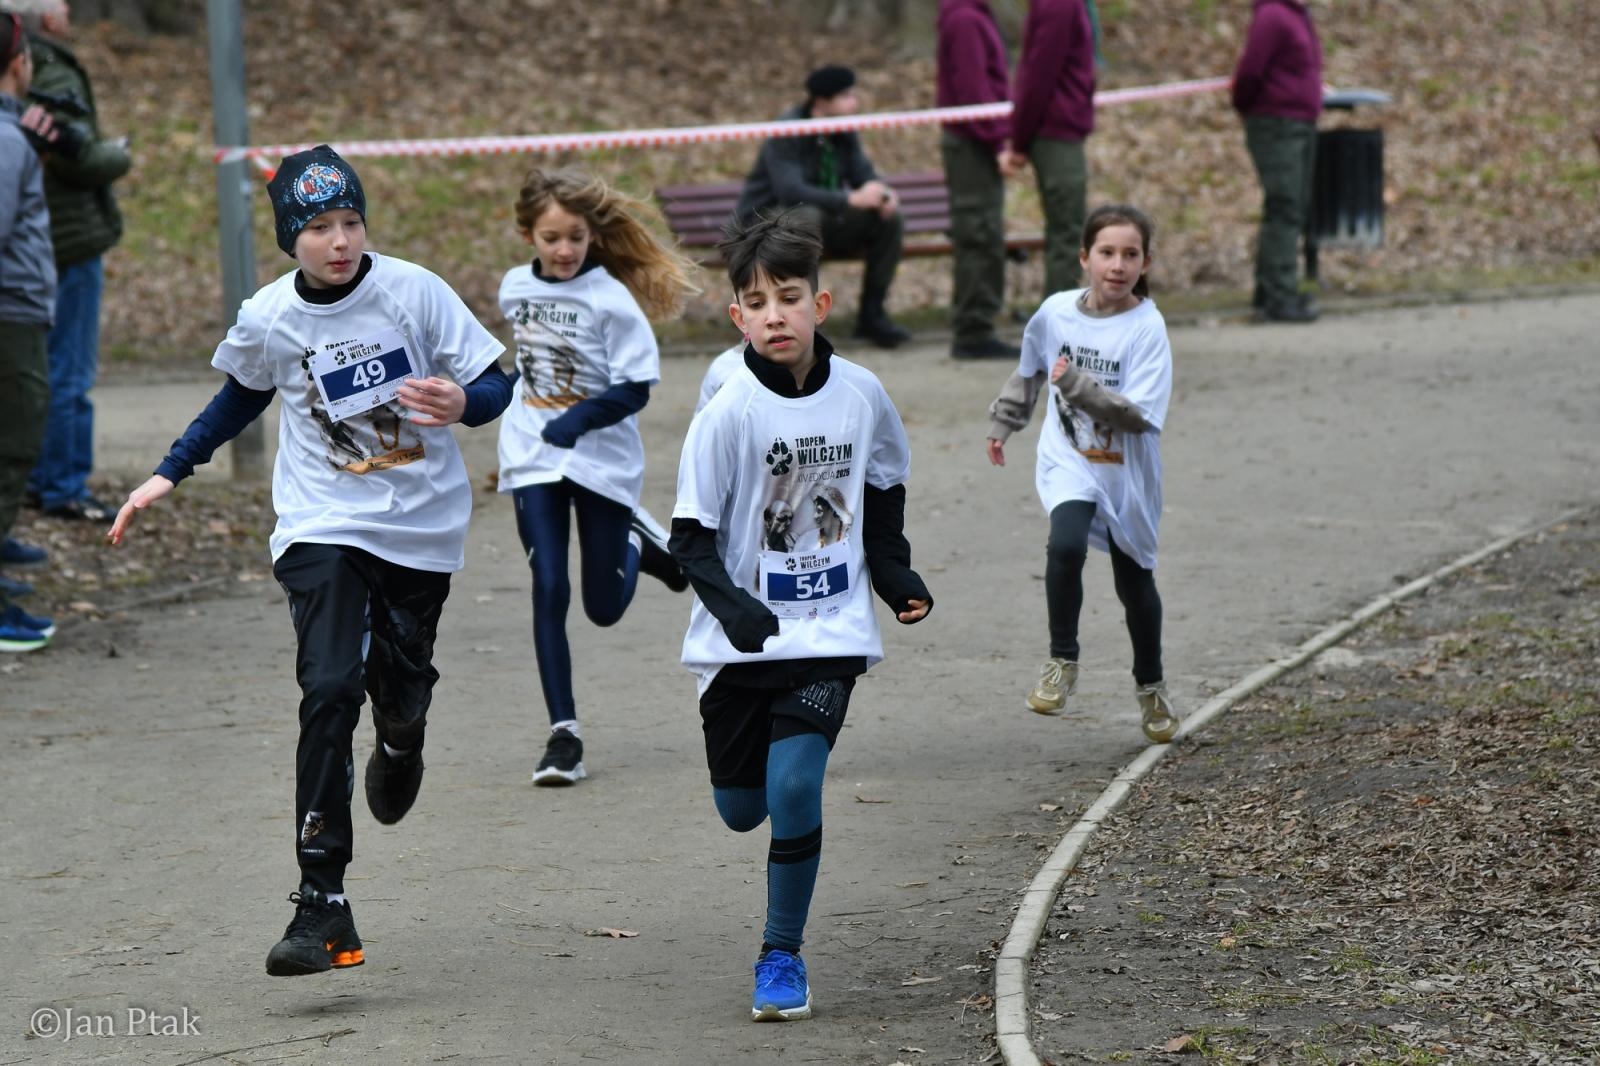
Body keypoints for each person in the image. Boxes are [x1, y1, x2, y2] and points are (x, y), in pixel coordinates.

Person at [107, 146, 511, 976]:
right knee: (329, 685)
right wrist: (167, 472)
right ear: (290, 238)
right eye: (319, 227)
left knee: (399, 685)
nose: (339, 241)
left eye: (351, 222)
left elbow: (496, 382)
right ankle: (321, 901)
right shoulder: (269, 317)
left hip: (420, 527)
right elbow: (241, 394)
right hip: (322, 522)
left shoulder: (414, 291)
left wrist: (466, 403)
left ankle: (401, 739)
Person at [669, 208, 933, 1021]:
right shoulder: (728, 409)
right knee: (741, 808)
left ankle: (780, 955)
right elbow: (690, 539)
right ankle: (741, 778)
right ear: (737, 317)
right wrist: (737, 611)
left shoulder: (862, 395)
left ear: (820, 306)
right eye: (758, 301)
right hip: (741, 634)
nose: (775, 313)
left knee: (795, 783)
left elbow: (883, 483)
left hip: (830, 626)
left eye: (790, 297)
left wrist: (891, 573)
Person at [497, 166, 695, 787]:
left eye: (575, 237)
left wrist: (579, 419)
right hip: (532, 455)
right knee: (548, 586)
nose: (563, 250)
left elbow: (636, 388)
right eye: (552, 237)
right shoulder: (513, 289)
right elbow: (526, 367)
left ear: (590, 235)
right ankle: (564, 736)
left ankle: (637, 542)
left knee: (603, 609)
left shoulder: (610, 298)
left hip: (600, 459)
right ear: (528, 231)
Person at [984, 204, 1179, 745]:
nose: (1117, 265)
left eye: (1130, 254)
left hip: (1127, 470)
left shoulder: (1147, 328)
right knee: (1064, 545)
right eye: (1107, 253)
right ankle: (1061, 661)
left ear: (1145, 263)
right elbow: (1029, 371)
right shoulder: (1054, 313)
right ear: (1084, 258)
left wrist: (1075, 386)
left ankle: (1151, 686)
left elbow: (1137, 415)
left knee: (1134, 581)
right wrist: (1005, 422)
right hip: (1070, 458)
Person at [11, 0, 130, 521]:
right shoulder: (46, 67)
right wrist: (118, 153)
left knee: (41, 371)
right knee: (67, 373)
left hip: (44, 238)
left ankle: (40, 477)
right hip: (68, 239)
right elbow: (75, 155)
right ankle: (62, 485)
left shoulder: (29, 64)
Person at [735, 64, 912, 349]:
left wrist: (883, 193)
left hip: (822, 220)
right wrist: (848, 199)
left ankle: (872, 315)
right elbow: (790, 190)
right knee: (805, 218)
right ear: (822, 101)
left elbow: (862, 174)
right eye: (846, 96)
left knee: (888, 220)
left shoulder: (842, 129)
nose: (854, 102)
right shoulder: (789, 128)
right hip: (768, 222)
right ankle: (803, 322)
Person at [0, 11, 58, 651]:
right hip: (9, 316)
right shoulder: (7, 139)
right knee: (11, 452)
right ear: (19, 63)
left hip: (17, 313)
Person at [937, 0, 1023, 361]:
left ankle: (979, 322)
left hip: (976, 140)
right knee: (978, 233)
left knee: (986, 232)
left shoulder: (974, 14)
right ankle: (973, 329)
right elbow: (974, 91)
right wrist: (997, 141)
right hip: (972, 142)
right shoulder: (965, 19)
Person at [1232, 0, 1322, 323]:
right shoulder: (1273, 15)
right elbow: (1250, 71)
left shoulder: (1298, 15)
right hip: (1277, 123)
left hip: (1299, 122)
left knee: (1290, 206)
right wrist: (1250, 107)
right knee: (1285, 205)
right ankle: (1278, 296)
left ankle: (1271, 290)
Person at [1004, 0, 1096, 298]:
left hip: (1059, 127)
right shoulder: (1059, 5)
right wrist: (1020, 138)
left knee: (1067, 231)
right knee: (1067, 232)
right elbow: (1038, 74)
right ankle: (1060, 329)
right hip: (1055, 130)